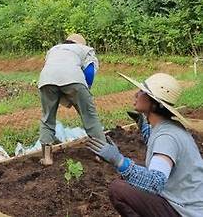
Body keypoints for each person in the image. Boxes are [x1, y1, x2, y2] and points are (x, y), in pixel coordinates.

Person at [88, 72, 203, 217]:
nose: (136, 94)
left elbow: (155, 182)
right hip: (186, 201)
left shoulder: (166, 137)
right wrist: (144, 126)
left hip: (185, 211)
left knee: (118, 189)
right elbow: (159, 152)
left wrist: (119, 161)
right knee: (135, 170)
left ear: (154, 103)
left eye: (142, 91)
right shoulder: (166, 127)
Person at [37, 33, 104, 165]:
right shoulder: (85, 49)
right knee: (89, 116)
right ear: (80, 44)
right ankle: (101, 154)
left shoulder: (54, 49)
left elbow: (52, 68)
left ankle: (47, 158)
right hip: (73, 79)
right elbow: (89, 72)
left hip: (46, 79)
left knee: (47, 117)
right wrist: (85, 92)